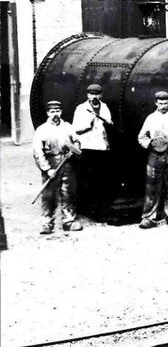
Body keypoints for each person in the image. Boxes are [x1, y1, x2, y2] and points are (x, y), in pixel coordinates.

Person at [137, 91, 168, 229]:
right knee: (152, 185)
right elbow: (141, 137)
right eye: (160, 103)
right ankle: (149, 218)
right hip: (156, 154)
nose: (163, 106)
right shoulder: (151, 118)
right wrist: (151, 143)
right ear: (156, 103)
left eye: (165, 103)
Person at [32, 100, 83, 234]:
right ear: (48, 113)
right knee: (49, 195)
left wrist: (75, 149)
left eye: (58, 111)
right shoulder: (42, 130)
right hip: (51, 163)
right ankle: (47, 224)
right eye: (52, 111)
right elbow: (37, 152)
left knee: (68, 193)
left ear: (61, 112)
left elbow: (77, 141)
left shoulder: (68, 127)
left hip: (67, 163)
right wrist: (47, 169)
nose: (56, 114)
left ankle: (68, 222)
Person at [72, 84, 115, 206]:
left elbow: (108, 125)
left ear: (100, 95)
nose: (94, 96)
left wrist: (109, 123)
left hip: (101, 146)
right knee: (85, 176)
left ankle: (99, 204)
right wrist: (89, 123)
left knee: (100, 176)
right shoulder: (81, 108)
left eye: (96, 94)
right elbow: (76, 128)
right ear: (87, 95)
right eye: (91, 94)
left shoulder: (104, 107)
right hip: (87, 146)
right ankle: (84, 205)